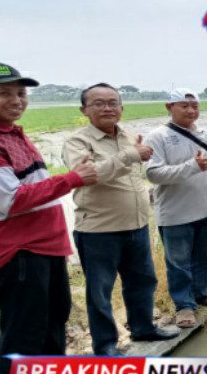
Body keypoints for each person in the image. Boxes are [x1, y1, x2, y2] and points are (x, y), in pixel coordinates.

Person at [0, 62, 98, 374]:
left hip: (44, 246)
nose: (16, 100)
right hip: (15, 252)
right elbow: (9, 199)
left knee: (53, 319)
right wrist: (71, 179)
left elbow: (30, 185)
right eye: (4, 93)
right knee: (23, 329)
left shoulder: (11, 134)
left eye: (21, 93)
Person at [62, 83, 179, 356]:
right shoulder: (77, 142)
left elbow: (132, 173)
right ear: (84, 110)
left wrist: (132, 153)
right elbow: (89, 175)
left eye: (113, 102)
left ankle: (143, 327)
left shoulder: (128, 136)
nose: (107, 108)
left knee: (143, 281)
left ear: (121, 108)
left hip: (136, 225)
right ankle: (105, 346)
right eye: (99, 103)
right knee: (100, 292)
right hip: (99, 230)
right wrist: (130, 155)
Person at [145, 89, 207, 328]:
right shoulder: (158, 136)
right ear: (169, 107)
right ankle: (184, 306)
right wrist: (191, 166)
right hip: (175, 213)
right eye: (184, 105)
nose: (191, 110)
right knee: (178, 262)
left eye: (194, 106)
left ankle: (201, 294)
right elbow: (153, 173)